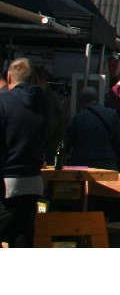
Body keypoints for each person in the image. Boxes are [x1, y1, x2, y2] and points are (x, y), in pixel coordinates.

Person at [1, 59, 53, 247]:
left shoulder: (3, 102)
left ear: (9, 77)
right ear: (33, 79)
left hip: (7, 180)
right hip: (33, 181)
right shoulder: (45, 104)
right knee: (23, 237)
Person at [63, 86, 120, 170]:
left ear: (81, 101)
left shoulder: (78, 117)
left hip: (83, 162)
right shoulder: (112, 114)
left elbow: (68, 141)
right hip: (107, 162)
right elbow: (119, 139)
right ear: (96, 98)